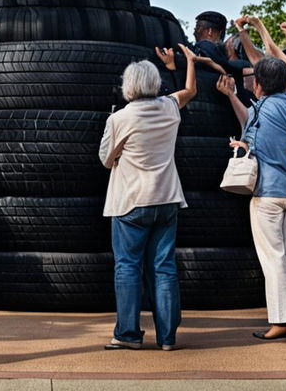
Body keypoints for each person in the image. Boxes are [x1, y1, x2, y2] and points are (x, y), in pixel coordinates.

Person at [98, 45, 197, 350]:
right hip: (167, 198)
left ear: (128, 86)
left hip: (130, 202)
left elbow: (105, 158)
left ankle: (128, 334)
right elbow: (190, 90)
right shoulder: (169, 107)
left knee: (128, 267)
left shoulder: (120, 119)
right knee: (164, 267)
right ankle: (167, 338)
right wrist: (189, 62)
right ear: (154, 84)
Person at [227, 55, 286, 342]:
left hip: (267, 190)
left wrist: (242, 145)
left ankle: (281, 320)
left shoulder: (262, 109)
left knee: (272, 258)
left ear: (260, 83)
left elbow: (257, 145)